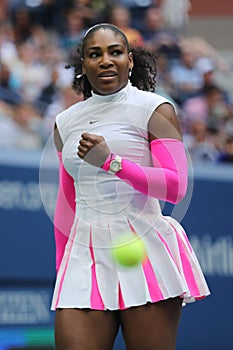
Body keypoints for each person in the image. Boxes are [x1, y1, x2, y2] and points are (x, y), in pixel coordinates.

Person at [51, 23, 210, 350]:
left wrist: (112, 163)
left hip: (144, 251)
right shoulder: (64, 123)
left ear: (130, 60)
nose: (106, 60)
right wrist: (61, 266)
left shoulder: (155, 109)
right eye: (94, 54)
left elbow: (176, 187)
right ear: (83, 65)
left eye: (115, 52)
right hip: (84, 257)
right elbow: (67, 200)